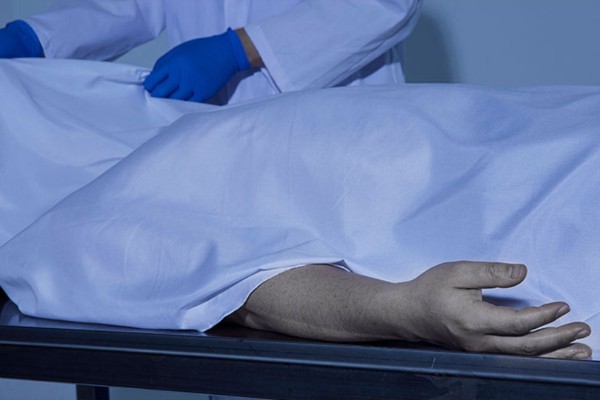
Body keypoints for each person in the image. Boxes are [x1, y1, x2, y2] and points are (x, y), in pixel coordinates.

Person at [0, 60, 594, 360]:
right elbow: (233, 281)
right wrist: (402, 310)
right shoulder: (65, 230)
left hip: (390, 137)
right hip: (377, 174)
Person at [0, 0, 423, 104]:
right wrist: (37, 37)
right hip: (214, 130)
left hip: (334, 123)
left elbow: (387, 4)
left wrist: (240, 48)